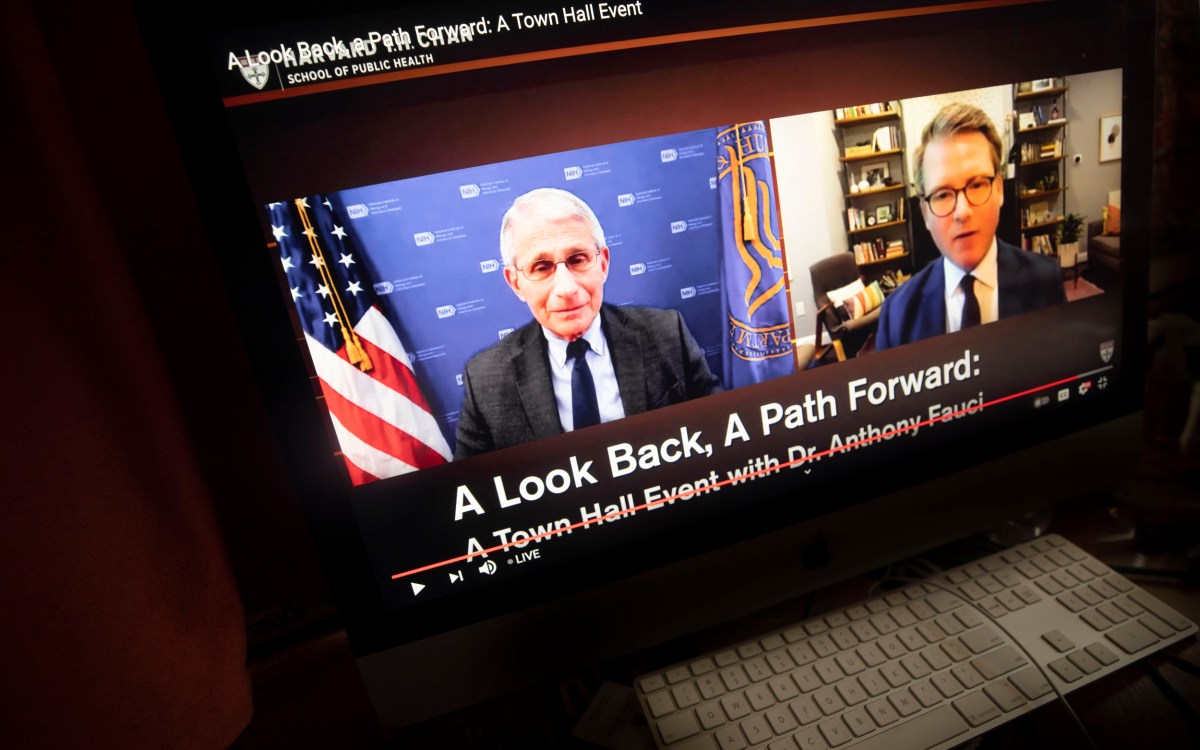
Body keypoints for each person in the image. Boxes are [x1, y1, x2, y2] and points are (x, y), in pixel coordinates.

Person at [454, 188, 720, 458]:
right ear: (516, 283)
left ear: (603, 264)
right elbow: (476, 488)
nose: (566, 288)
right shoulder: (485, 380)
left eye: (577, 259)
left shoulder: (667, 334)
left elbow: (720, 434)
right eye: (542, 267)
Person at [875, 103, 1065, 350]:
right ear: (924, 213)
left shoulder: (1045, 281)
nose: (962, 212)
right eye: (943, 194)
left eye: (976, 185)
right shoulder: (896, 315)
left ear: (998, 189)